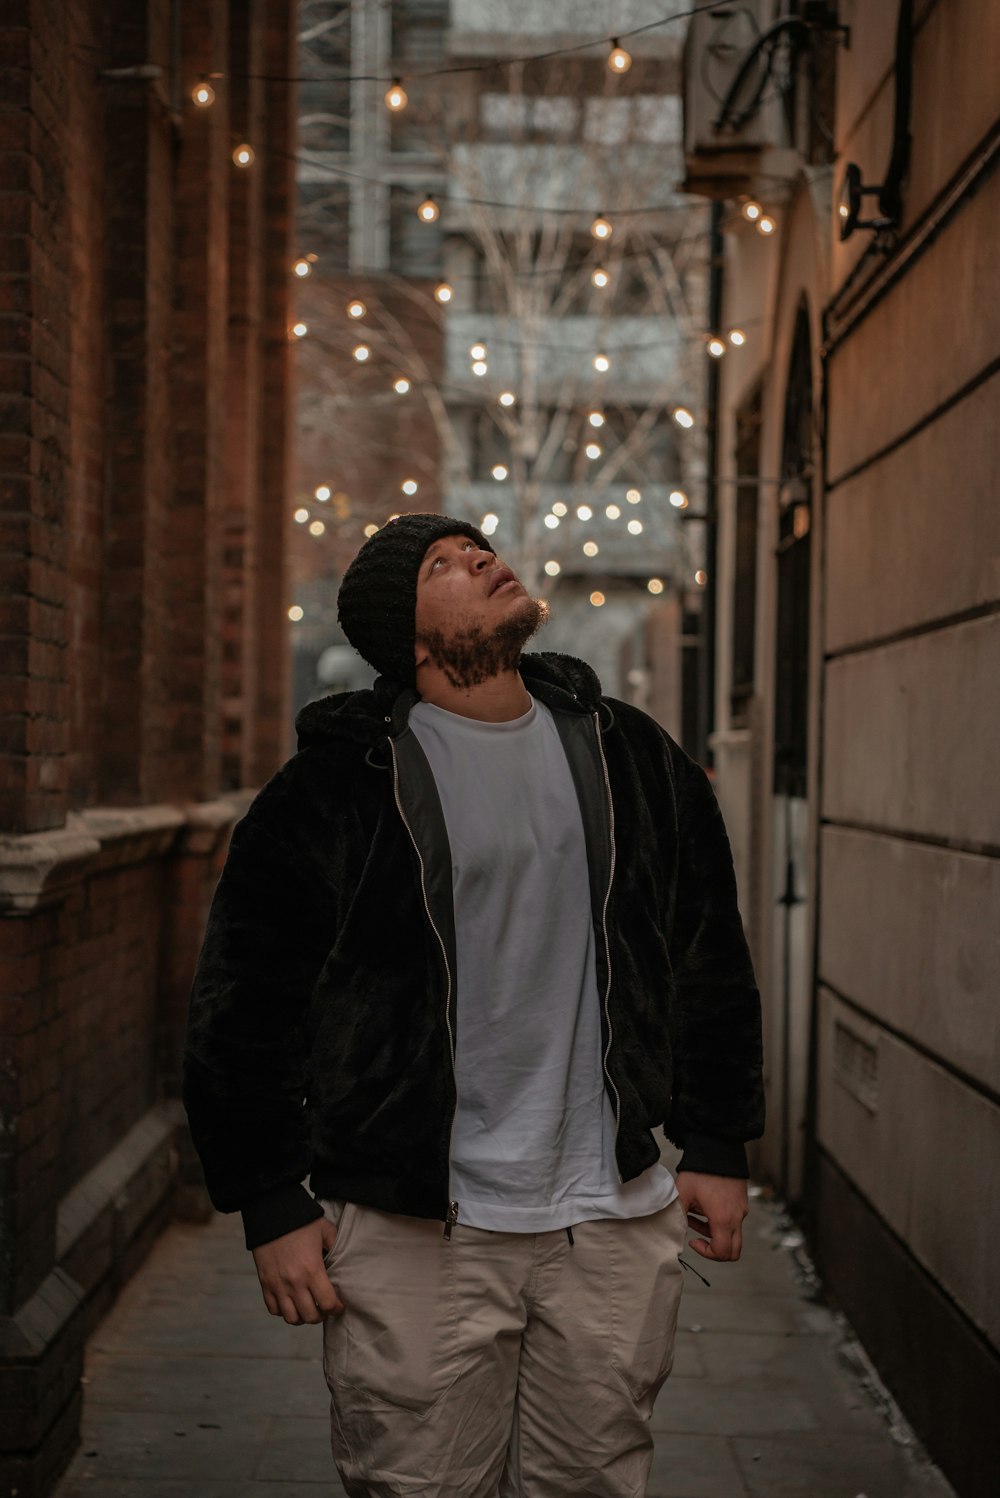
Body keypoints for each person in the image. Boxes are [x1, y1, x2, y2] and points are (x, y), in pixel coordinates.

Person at [183, 513, 764, 1498]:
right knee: (419, 1484)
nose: (481, 561)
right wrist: (270, 1197)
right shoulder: (335, 788)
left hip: (608, 1214)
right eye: (442, 566)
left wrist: (713, 1141)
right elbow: (245, 1001)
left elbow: (704, 949)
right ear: (407, 641)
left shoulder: (629, 754)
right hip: (415, 1225)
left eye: (475, 548)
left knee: (591, 1481)